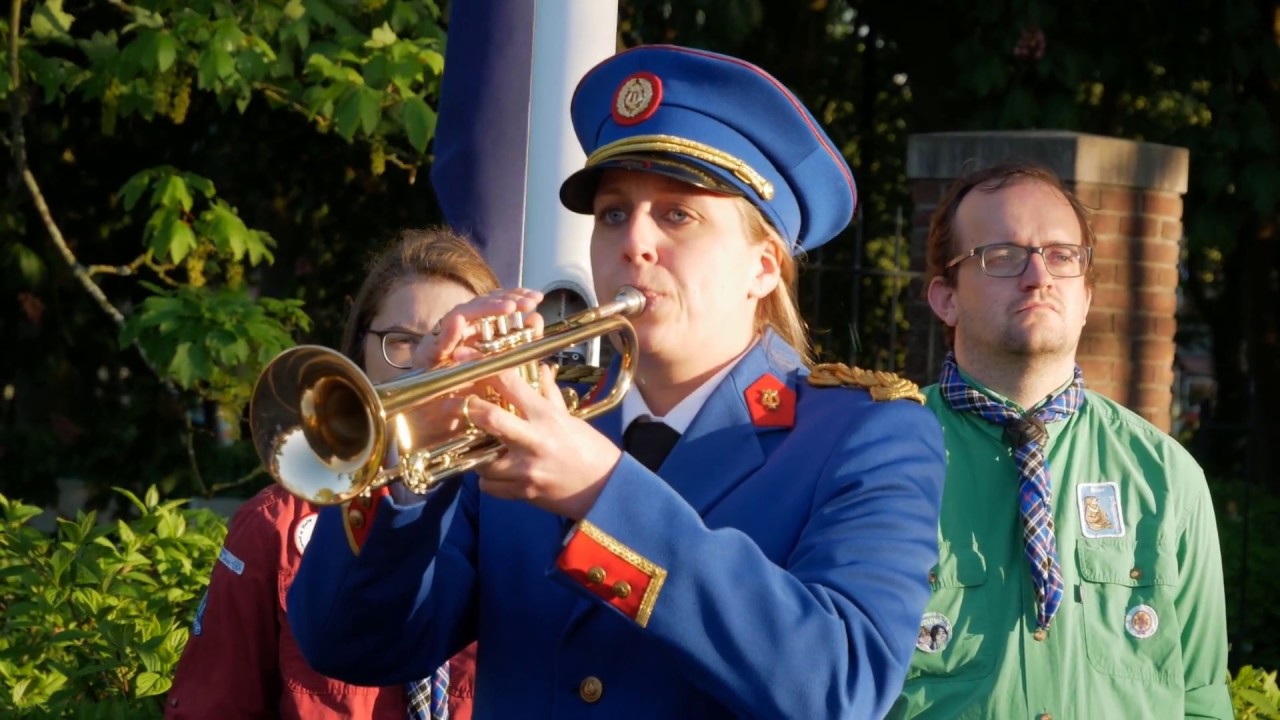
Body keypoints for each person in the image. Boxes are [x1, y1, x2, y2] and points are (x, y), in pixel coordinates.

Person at [287, 45, 947, 719]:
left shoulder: (869, 433)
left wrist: (605, 495)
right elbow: (348, 644)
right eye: (612, 214)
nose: (634, 242)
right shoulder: (530, 423)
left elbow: (841, 685)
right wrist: (407, 462)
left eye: (677, 214)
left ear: (764, 267)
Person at [890, 162, 1232, 719]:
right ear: (945, 298)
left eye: (1062, 255)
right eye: (1001, 255)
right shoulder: (876, 458)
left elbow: (1202, 701)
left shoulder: (1167, 476)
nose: (1038, 276)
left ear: (1088, 296)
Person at [165, 228, 498, 720]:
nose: (432, 363)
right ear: (360, 350)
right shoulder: (274, 526)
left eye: (458, 342)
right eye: (403, 342)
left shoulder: (521, 517)